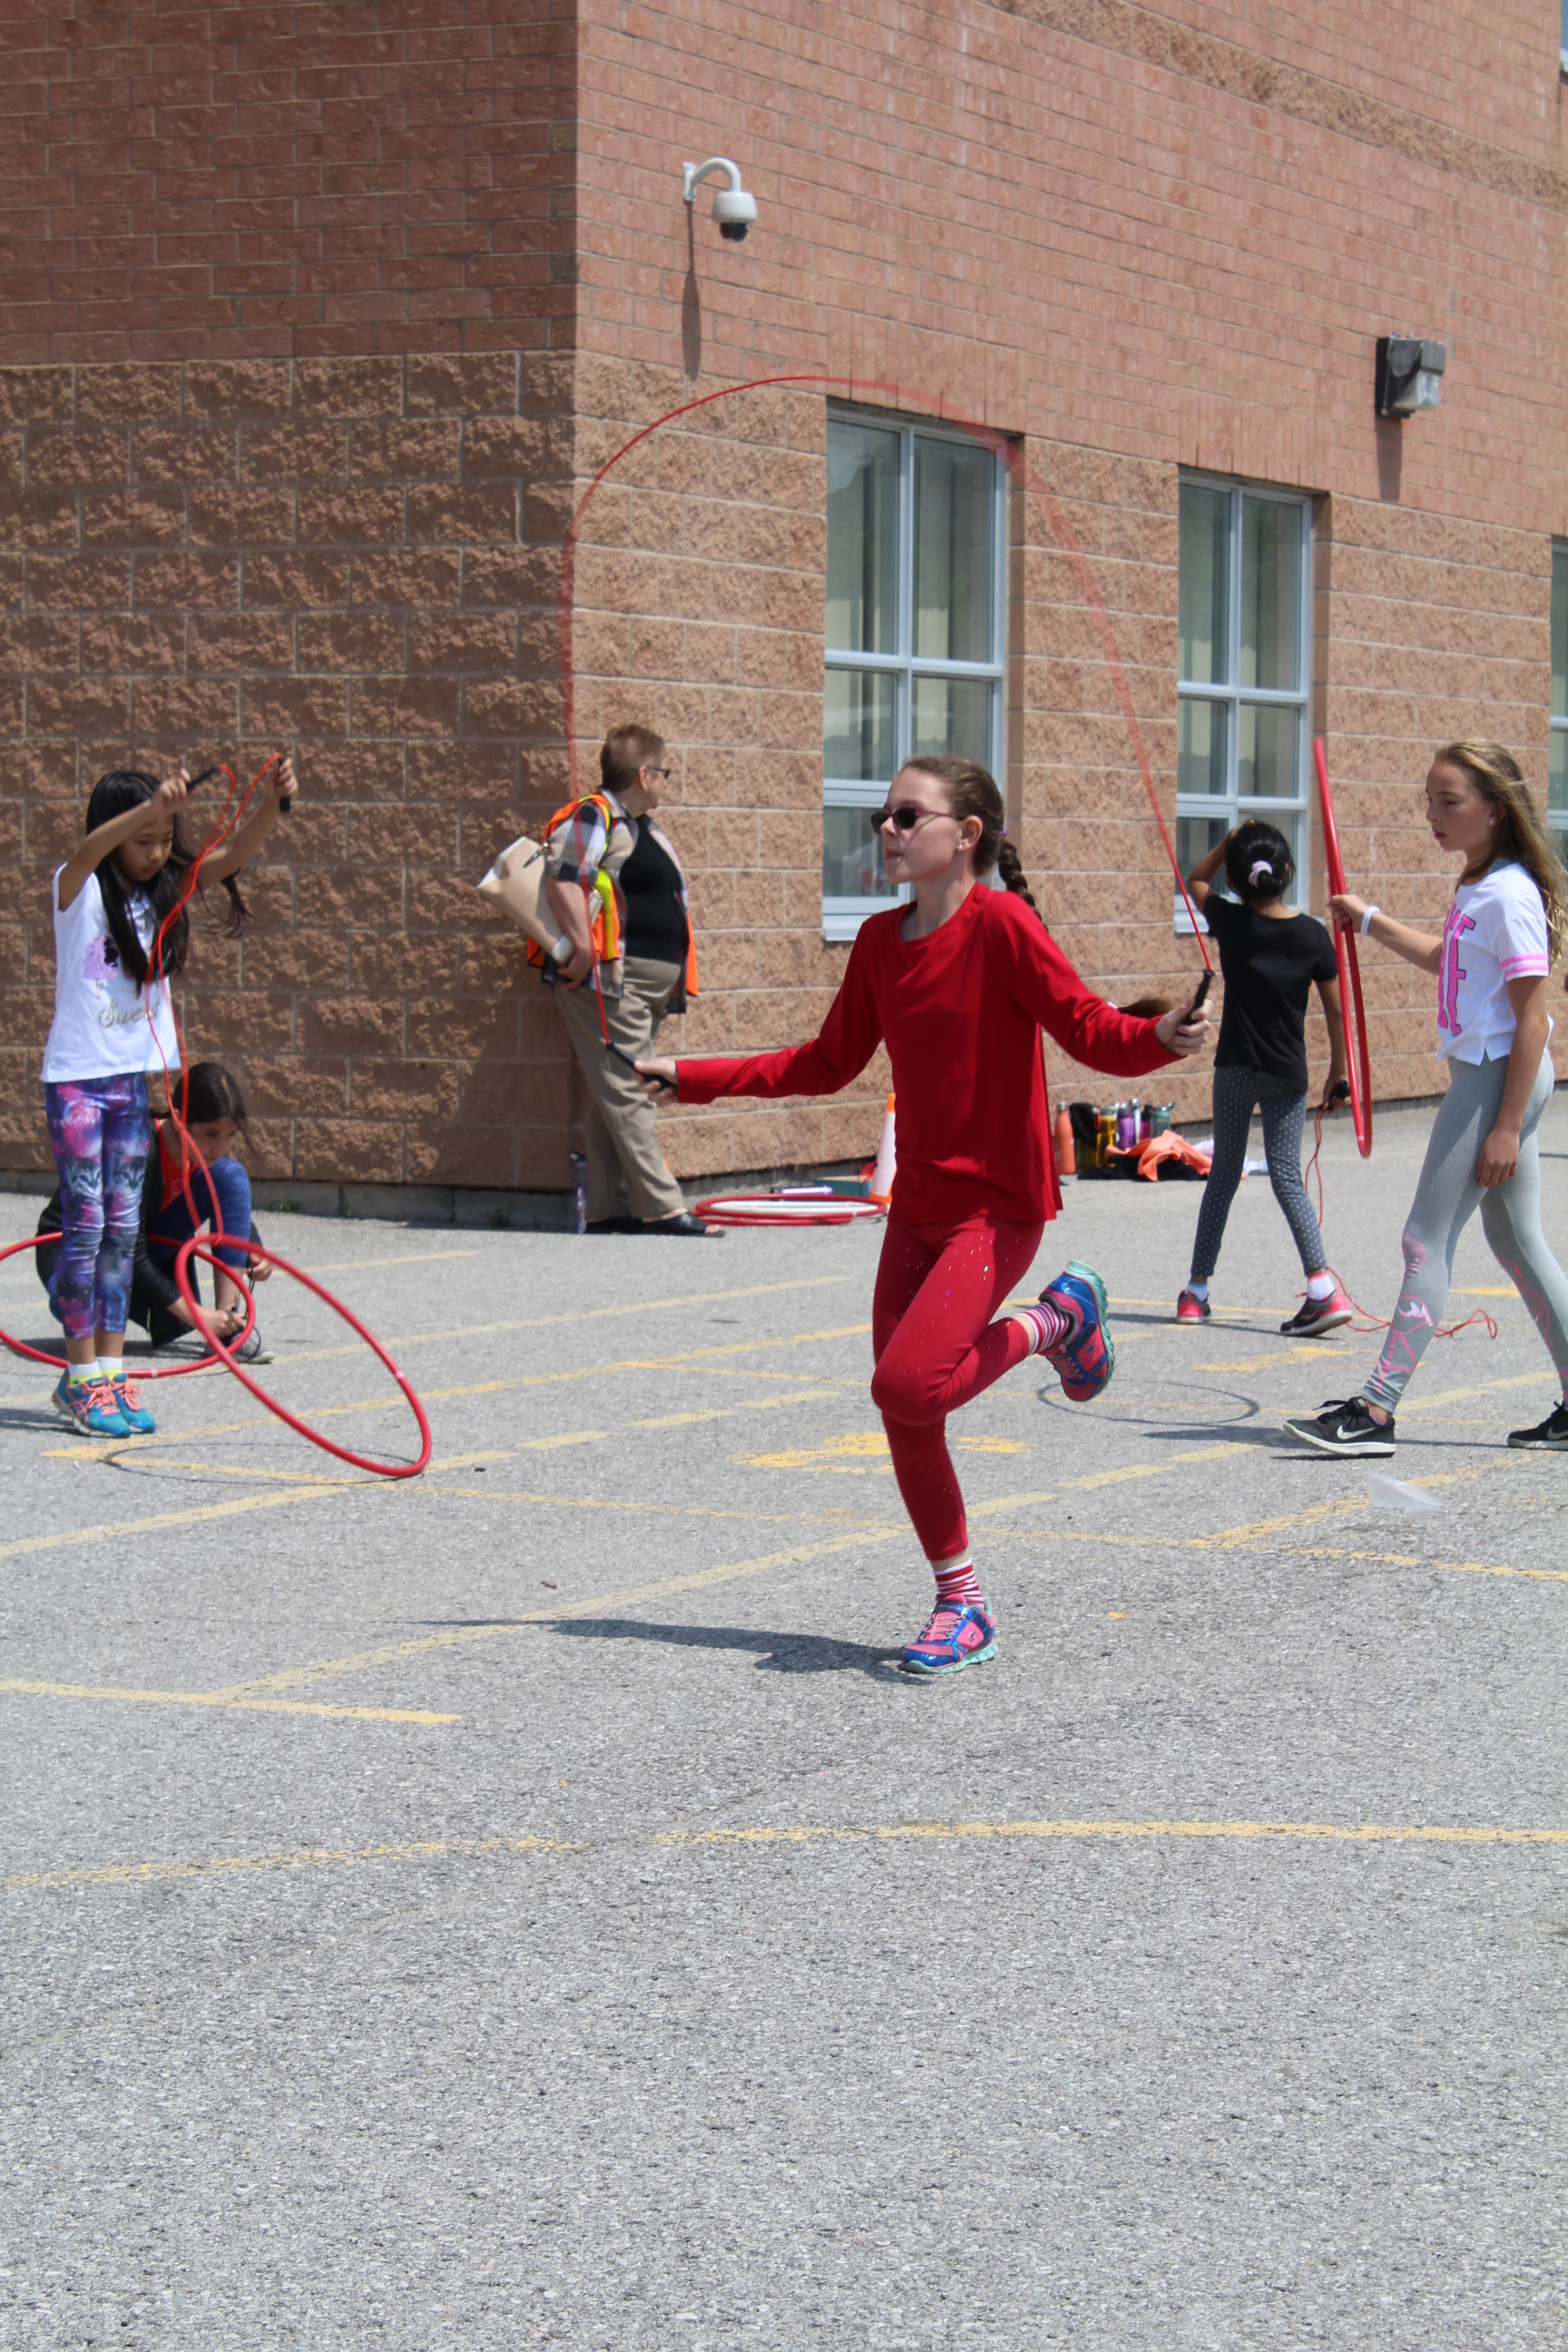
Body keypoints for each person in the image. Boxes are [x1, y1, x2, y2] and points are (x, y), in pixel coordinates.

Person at [635, 754, 1210, 1674]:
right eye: (884, 816)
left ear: (966, 834)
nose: (888, 830)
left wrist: (1160, 1038)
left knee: (907, 1386)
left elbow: (1086, 1028)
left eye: (909, 816)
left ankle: (1057, 1320)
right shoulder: (878, 942)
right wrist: (694, 1078)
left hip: (998, 1208)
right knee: (908, 1410)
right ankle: (962, 1604)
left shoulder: (1004, 924)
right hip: (919, 1210)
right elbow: (825, 1063)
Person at [1285, 738, 1568, 1457]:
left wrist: (1506, 1125)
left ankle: (1376, 1410)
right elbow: (1450, 959)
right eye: (1429, 801)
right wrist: (1369, 920)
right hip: (1493, 1075)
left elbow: (1534, 1018)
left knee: (1424, 1239)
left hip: (1496, 1079)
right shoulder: (1481, 885)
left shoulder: (1508, 894)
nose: (1433, 816)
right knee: (1518, 1243)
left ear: (1495, 810)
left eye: (1449, 802)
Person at [38, 757, 296, 1438]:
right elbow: (86, 851)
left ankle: (109, 1374)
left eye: (163, 840)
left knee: (123, 1232)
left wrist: (271, 806)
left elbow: (230, 857)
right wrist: (150, 807)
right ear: (115, 833)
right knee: (87, 1227)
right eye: (143, 840)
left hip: (130, 1084)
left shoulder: (159, 896)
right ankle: (80, 1376)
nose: (156, 853)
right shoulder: (77, 891)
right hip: (77, 1084)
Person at [1177, 819, 1351, 1331]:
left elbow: (1195, 880)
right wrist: (1338, 1072)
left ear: (1235, 880)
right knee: (1287, 1177)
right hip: (1287, 1073)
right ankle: (1322, 1288)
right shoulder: (1313, 935)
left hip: (1235, 1067)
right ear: (1287, 872)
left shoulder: (1231, 922)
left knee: (1223, 1177)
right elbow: (1336, 1011)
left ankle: (1196, 1293)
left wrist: (1228, 841)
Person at [544, 725, 719, 1236]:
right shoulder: (593, 815)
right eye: (664, 773)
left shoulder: (640, 825)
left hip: (643, 985)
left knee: (613, 1091)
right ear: (644, 774)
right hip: (610, 980)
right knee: (630, 1088)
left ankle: (608, 1208)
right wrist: (583, 949)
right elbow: (562, 876)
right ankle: (662, 1206)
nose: (667, 782)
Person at [36, 1062, 270, 1361]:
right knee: (84, 1312)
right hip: (78, 1249)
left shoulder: (198, 1152)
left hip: (139, 1243)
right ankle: (74, 1303)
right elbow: (127, 1248)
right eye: (211, 1134)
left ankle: (227, 1330)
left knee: (230, 1175)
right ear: (178, 1117)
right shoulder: (136, 1148)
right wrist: (196, 1316)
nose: (221, 1146)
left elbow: (228, 1204)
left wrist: (253, 1249)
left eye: (230, 1135)